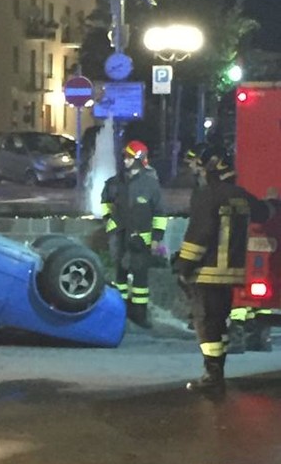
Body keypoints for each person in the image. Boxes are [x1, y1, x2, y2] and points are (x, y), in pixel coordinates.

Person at [173, 145, 276, 391]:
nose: (195, 171)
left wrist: (183, 265)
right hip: (231, 275)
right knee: (220, 323)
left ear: (210, 166)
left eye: (197, 165)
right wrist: (274, 200)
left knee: (205, 324)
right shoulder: (240, 194)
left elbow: (199, 235)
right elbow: (264, 212)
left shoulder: (206, 195)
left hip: (205, 273)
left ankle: (212, 375)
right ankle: (217, 371)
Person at [101, 140, 168, 328]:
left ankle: (140, 315)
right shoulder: (115, 182)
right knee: (120, 278)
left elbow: (160, 213)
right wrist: (108, 221)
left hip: (141, 239)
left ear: (139, 159)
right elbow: (105, 200)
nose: (125, 161)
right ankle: (119, 313)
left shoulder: (150, 185)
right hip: (119, 235)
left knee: (140, 280)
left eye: (129, 158)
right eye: (125, 157)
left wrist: (156, 238)